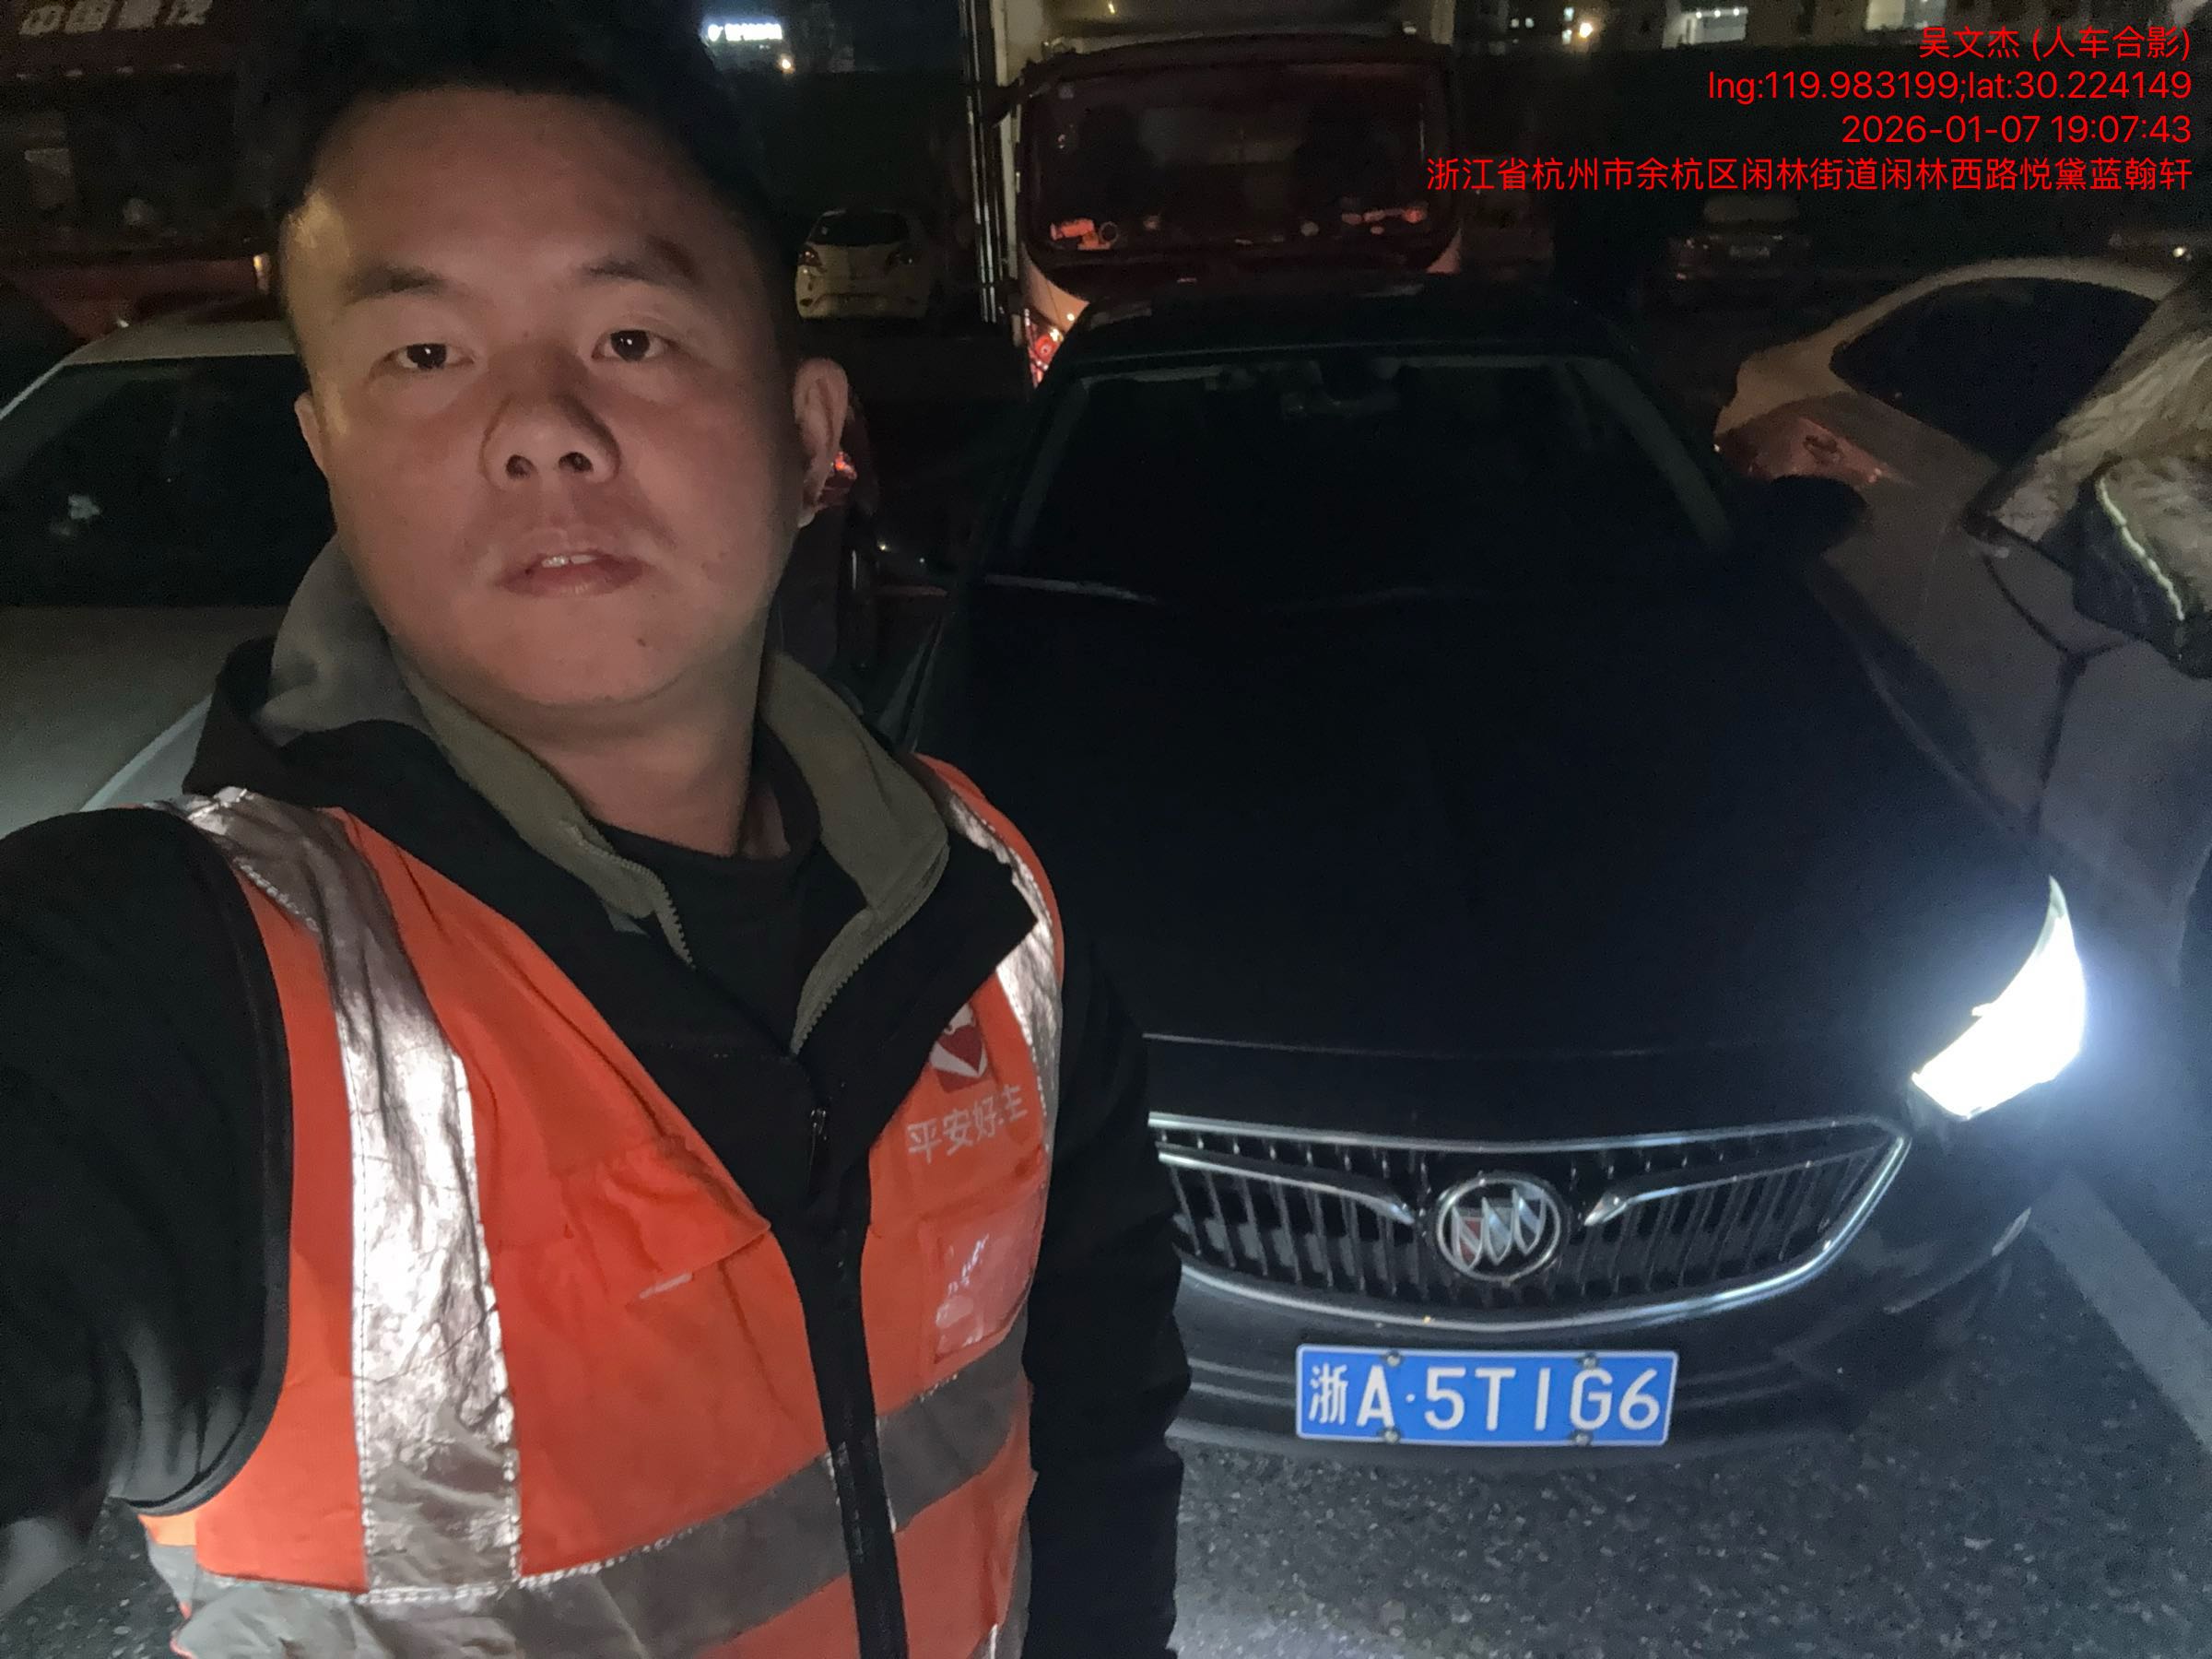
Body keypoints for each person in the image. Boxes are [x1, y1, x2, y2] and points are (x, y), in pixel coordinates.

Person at [0, 4, 1189, 1656]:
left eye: (631, 336)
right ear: (326, 448)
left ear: (809, 435)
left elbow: (1101, 1418)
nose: (539, 425)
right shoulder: (172, 1007)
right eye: (425, 355)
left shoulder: (989, 910)